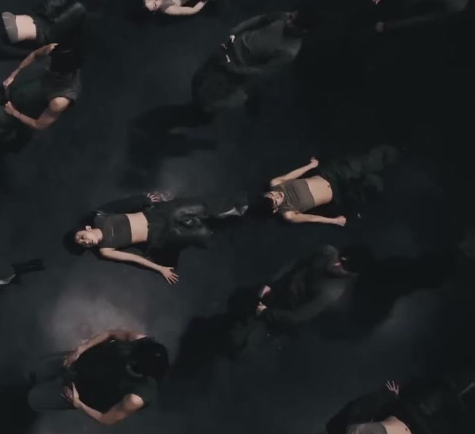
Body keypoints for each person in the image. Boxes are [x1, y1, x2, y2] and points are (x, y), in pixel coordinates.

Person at [307, 371, 475, 434]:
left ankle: (461, 385)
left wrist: (390, 398)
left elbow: (367, 407)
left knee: (444, 394)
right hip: (422, 433)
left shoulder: (351, 428)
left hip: (409, 415)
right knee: (456, 416)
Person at [72, 192, 246, 284]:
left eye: (82, 237)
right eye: (84, 244)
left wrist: (143, 199)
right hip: (161, 235)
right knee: (202, 235)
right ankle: (232, 221)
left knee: (199, 207)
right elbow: (133, 258)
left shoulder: (100, 217)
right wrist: (160, 268)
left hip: (158, 215)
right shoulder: (105, 250)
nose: (85, 241)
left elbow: (120, 205)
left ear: (87, 229)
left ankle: (241, 206)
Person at [229, 245, 360, 352]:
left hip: (283, 310)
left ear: (350, 274)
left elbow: (297, 317)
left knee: (244, 341)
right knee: (237, 305)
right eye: (339, 258)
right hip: (277, 290)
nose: (336, 264)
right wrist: (271, 283)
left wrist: (265, 312)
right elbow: (296, 263)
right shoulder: (326, 251)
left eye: (343, 266)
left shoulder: (330, 292)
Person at [27, 329, 168, 425]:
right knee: (38, 369)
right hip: (81, 361)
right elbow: (110, 333)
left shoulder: (136, 398)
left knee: (34, 399)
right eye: (132, 359)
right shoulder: (138, 340)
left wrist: (78, 403)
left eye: (133, 368)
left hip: (82, 393)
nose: (128, 365)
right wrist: (80, 350)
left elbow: (106, 419)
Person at [0, 40, 81, 155]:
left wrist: (14, 113)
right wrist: (14, 74)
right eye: (49, 61)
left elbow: (39, 124)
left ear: (64, 73)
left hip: (24, 112)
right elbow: (34, 54)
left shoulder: (60, 100)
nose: (47, 67)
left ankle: (12, 140)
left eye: (52, 68)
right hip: (17, 92)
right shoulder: (51, 49)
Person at [262, 146, 399, 226]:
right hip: (339, 193)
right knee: (371, 185)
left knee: (360, 164)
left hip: (330, 176)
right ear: (275, 210)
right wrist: (334, 221)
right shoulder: (289, 214)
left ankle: (389, 153)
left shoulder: (275, 183)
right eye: (276, 200)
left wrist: (311, 166)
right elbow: (312, 218)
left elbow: (292, 175)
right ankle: (391, 176)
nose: (277, 195)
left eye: (271, 194)